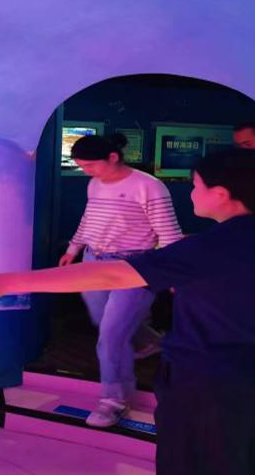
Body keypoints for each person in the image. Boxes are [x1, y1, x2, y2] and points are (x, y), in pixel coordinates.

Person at [0, 149, 255, 475]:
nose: (191, 193)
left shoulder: (201, 250)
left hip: (203, 388)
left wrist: (5, 282)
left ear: (222, 194)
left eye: (196, 185)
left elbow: (111, 274)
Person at [58, 133, 182, 427]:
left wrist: (173, 272)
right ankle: (150, 340)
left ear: (113, 157)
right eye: (81, 166)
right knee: (105, 323)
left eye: (90, 165)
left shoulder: (148, 186)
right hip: (93, 262)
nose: (86, 172)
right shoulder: (94, 184)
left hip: (134, 266)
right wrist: (73, 249)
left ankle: (114, 401)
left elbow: (169, 233)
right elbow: (89, 219)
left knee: (111, 338)